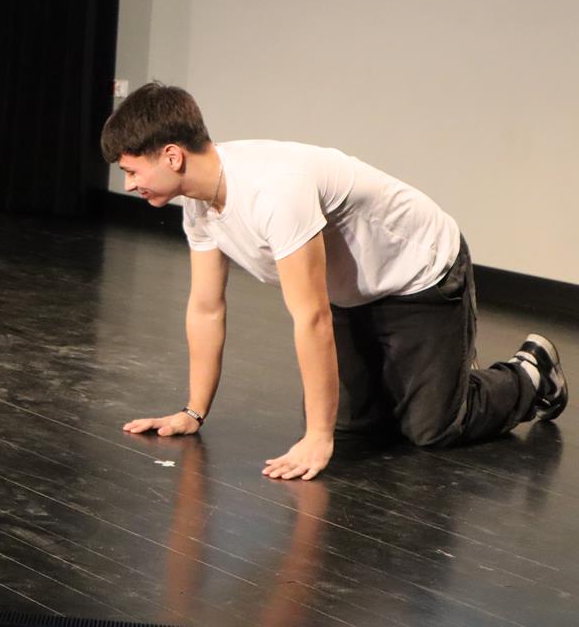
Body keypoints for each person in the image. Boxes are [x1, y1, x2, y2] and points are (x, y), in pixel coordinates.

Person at [104, 82, 567, 481]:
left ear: (172, 156)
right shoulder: (199, 203)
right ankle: (428, 377)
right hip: (351, 293)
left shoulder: (274, 189)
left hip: (419, 276)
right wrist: (193, 411)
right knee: (353, 425)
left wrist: (317, 439)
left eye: (131, 171)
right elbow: (207, 307)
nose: (128, 185)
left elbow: (311, 316)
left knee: (432, 428)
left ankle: (530, 373)